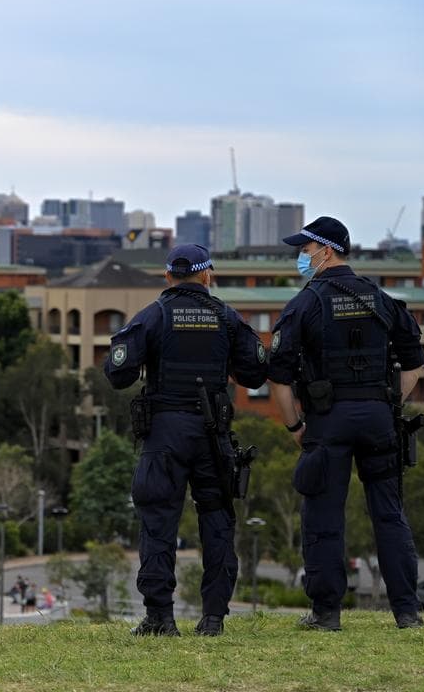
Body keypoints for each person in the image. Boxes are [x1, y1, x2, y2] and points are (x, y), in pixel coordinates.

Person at [267, 217, 424, 631]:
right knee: (389, 515)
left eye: (305, 250)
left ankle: (326, 614)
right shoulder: (381, 298)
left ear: (326, 250)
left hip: (327, 422)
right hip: (378, 420)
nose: (301, 257)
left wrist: (294, 428)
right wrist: (390, 403)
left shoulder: (305, 303)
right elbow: (415, 363)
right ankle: (407, 613)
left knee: (323, 516)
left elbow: (280, 378)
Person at [105, 244, 268, 637]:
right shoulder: (227, 317)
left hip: (165, 434)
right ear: (207, 275)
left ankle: (160, 617)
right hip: (213, 435)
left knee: (159, 522)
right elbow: (255, 372)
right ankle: (213, 617)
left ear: (168, 277)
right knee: (216, 523)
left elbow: (118, 371)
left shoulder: (155, 315)